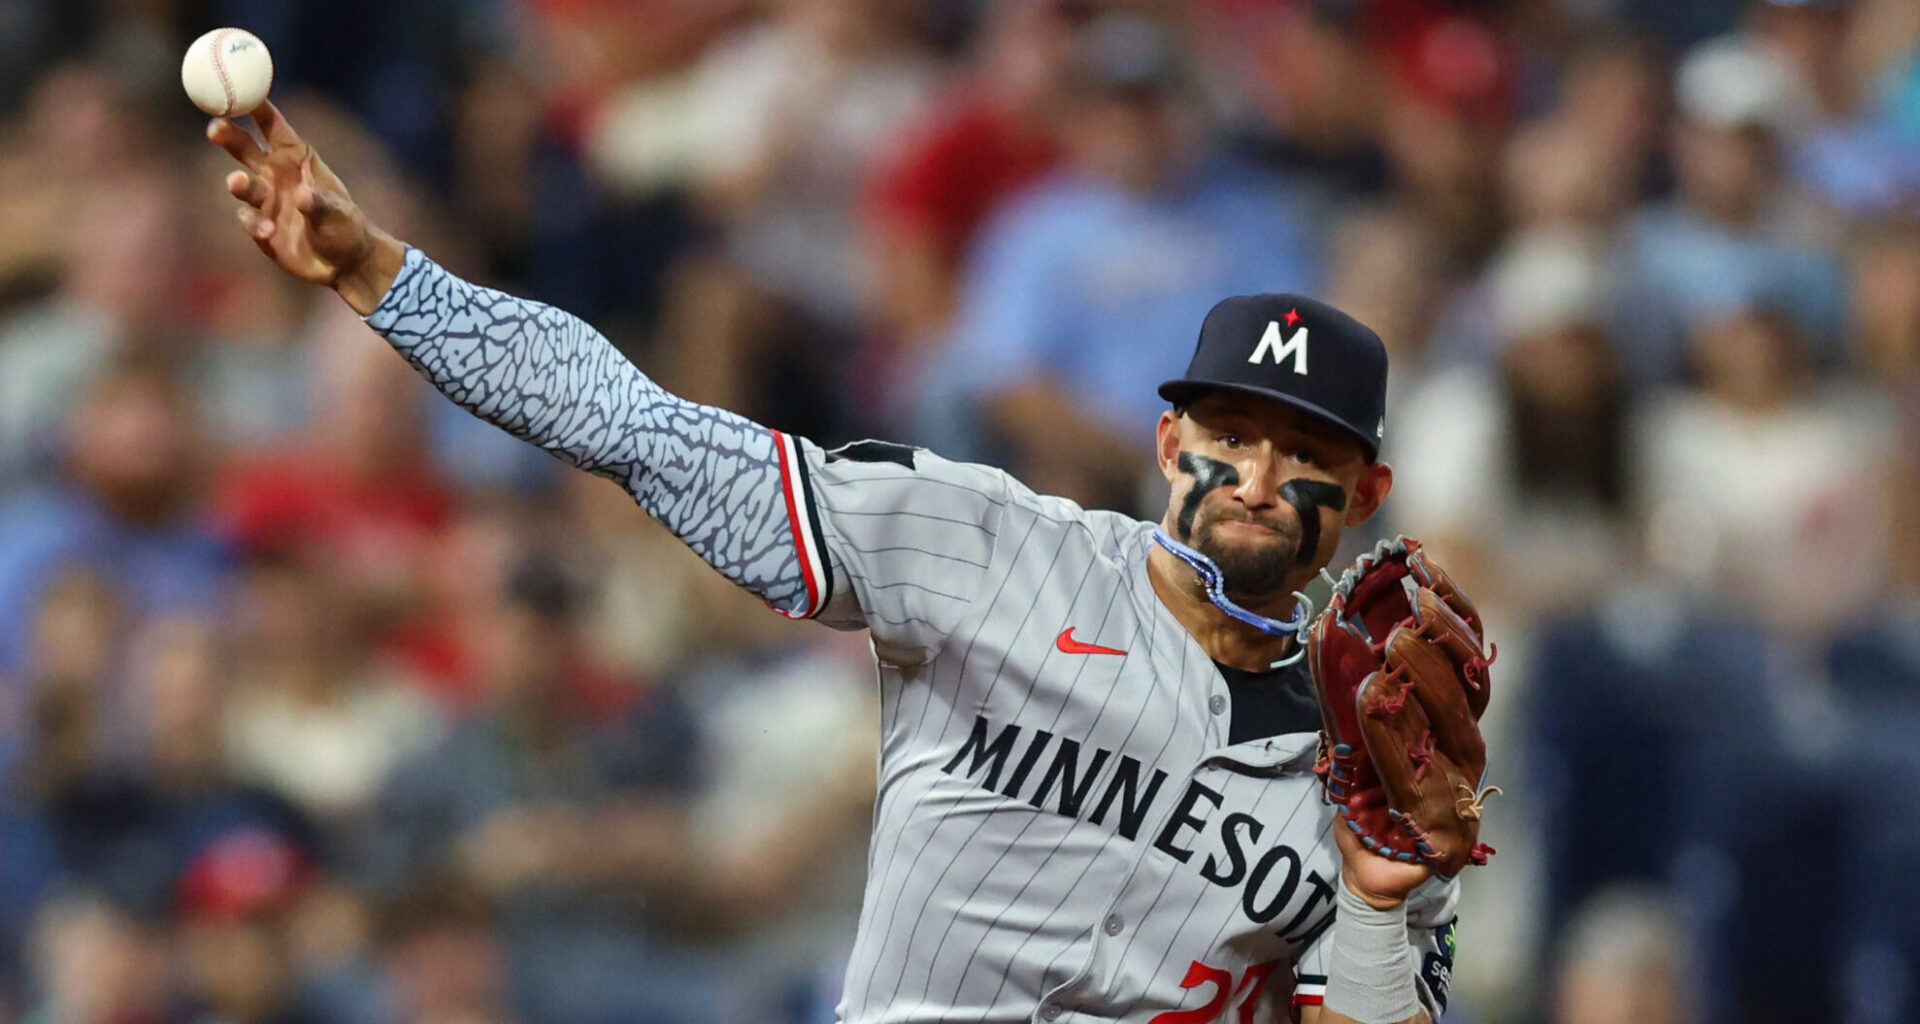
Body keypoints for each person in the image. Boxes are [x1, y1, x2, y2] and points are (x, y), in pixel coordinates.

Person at [206, 99, 1465, 1024]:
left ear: (1366, 494)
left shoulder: (1392, 749)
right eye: (1228, 433)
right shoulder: (984, 544)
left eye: (1301, 451)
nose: (1253, 474)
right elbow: (636, 427)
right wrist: (384, 274)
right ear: (1165, 439)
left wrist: (1378, 891)